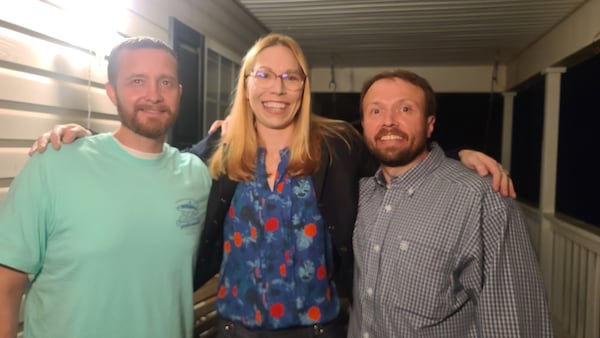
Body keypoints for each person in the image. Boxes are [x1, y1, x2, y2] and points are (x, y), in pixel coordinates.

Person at [27, 33, 514, 338]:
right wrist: (83, 139)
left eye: (290, 76)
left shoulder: (339, 144)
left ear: (304, 86)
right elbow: (147, 161)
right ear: (246, 83)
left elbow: (397, 153)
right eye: (264, 74)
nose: (277, 88)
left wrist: (454, 154)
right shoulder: (217, 152)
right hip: (236, 329)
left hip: (320, 328)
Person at [0, 37, 212, 338]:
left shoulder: (196, 176)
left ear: (179, 93)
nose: (154, 95)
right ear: (112, 91)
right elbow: (5, 285)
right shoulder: (55, 165)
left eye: (165, 82)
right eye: (137, 81)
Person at [348, 69, 553, 338]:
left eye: (405, 109)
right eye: (376, 111)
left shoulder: (480, 196)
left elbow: (515, 321)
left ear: (429, 123)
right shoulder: (363, 193)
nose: (388, 122)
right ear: (363, 124)